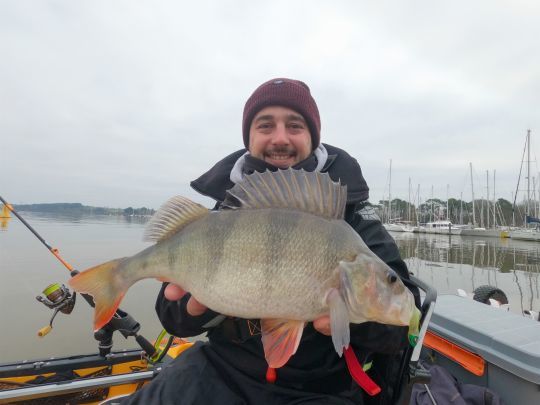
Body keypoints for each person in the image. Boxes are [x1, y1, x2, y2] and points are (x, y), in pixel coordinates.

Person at [122, 78, 420, 404]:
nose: (280, 138)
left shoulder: (348, 216)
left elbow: (404, 320)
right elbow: (171, 316)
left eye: (294, 125)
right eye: (265, 125)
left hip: (322, 386)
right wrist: (200, 309)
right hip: (220, 370)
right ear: (249, 138)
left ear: (312, 137)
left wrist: (347, 316)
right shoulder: (227, 213)